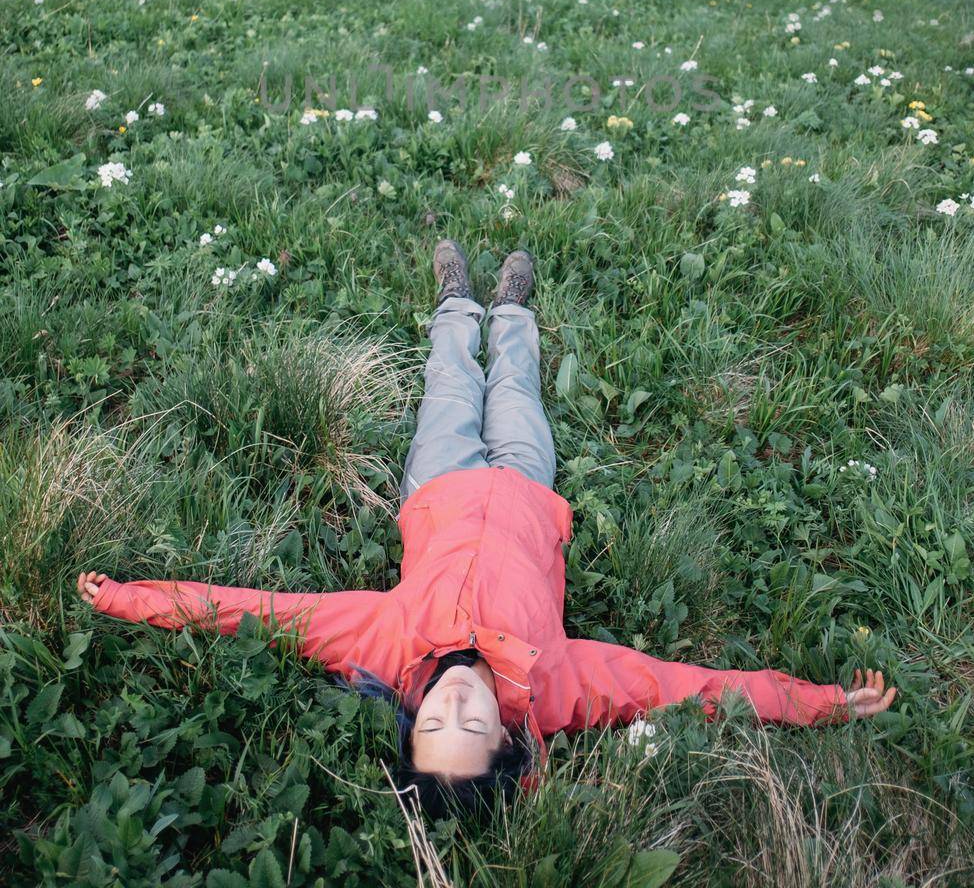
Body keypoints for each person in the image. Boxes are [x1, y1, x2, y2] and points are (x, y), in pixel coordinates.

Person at [78, 241, 896, 815]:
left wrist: (122, 598)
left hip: (438, 485)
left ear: (410, 719)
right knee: (515, 390)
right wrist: (819, 702)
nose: (456, 705)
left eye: (434, 723)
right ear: (512, 742)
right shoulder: (558, 683)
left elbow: (250, 609)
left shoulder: (386, 644)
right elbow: (689, 689)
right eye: (473, 727)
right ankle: (509, 312)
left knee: (446, 381)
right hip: (528, 491)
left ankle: (455, 303)